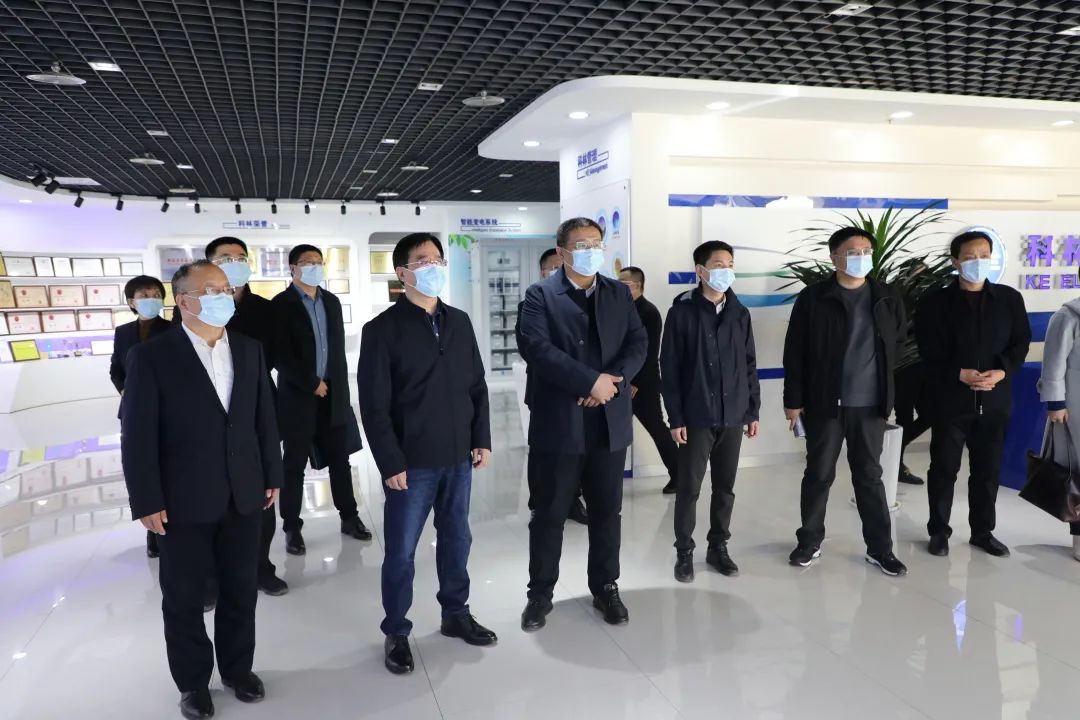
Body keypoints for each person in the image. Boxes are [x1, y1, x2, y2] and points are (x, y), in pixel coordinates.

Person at [121, 260, 282, 720]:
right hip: (182, 498)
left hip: (244, 492)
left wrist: (272, 473)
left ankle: (238, 670)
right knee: (184, 598)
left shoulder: (248, 349)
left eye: (226, 288)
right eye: (212, 289)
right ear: (184, 301)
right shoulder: (152, 356)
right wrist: (146, 499)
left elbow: (263, 418)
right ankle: (193, 682)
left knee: (240, 589)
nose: (223, 296)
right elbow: (138, 435)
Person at [358, 233, 497, 675]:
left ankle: (456, 613)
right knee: (401, 551)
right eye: (422, 260)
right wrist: (390, 462)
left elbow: (476, 385)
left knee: (457, 538)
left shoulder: (459, 322)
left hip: (458, 455)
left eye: (437, 259)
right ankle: (397, 630)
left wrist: (481, 437)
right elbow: (374, 405)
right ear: (402, 273)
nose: (433, 266)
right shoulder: (382, 330)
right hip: (411, 462)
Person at [517, 217, 647, 631]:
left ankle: (606, 586)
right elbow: (536, 348)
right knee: (549, 512)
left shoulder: (618, 293)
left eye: (596, 243)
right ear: (562, 252)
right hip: (559, 421)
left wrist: (612, 381)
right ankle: (540, 594)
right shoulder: (540, 295)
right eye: (581, 244)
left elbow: (638, 342)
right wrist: (589, 381)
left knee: (607, 511)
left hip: (609, 420)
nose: (591, 250)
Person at [783, 227, 908, 576]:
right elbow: (795, 351)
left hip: (870, 405)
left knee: (869, 476)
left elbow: (898, 342)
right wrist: (793, 400)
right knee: (818, 474)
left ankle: (880, 549)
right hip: (825, 404)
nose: (861, 257)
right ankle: (809, 542)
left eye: (867, 251)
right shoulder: (814, 298)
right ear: (834, 257)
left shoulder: (886, 296)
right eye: (853, 251)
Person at [916, 230, 1031, 558]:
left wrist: (1003, 371)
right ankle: (939, 531)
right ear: (955, 261)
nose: (978, 262)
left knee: (987, 469)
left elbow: (1020, 342)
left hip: (994, 399)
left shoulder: (1009, 299)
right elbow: (927, 349)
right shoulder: (935, 302)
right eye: (970, 257)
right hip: (951, 400)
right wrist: (958, 373)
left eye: (984, 256)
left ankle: (983, 531)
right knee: (944, 468)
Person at [661, 241, 760, 582]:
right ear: (700, 270)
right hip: (696, 416)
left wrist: (752, 411)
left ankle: (718, 547)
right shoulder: (682, 313)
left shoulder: (739, 313)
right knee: (689, 489)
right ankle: (684, 552)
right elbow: (669, 368)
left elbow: (749, 365)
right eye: (718, 264)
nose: (725, 270)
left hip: (733, 414)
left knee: (725, 487)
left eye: (730, 264)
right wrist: (675, 417)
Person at [272, 244, 369, 555]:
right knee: (294, 464)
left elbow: (336, 351)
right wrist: (310, 382)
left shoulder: (331, 301)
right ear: (293, 268)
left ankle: (349, 517)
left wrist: (338, 389)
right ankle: (291, 527)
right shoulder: (281, 304)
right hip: (298, 396)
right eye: (307, 262)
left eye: (318, 261)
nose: (315, 267)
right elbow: (279, 354)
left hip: (333, 394)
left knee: (340, 459)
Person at [204, 238, 288, 597]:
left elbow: (275, 355)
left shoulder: (265, 310)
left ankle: (260, 568)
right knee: (209, 494)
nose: (234, 263)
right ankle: (210, 576)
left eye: (240, 257)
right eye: (225, 258)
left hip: (255, 407)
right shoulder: (198, 305)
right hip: (209, 412)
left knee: (261, 494)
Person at [516, 249, 588, 525]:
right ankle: (539, 501)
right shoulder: (531, 303)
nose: (560, 271)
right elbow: (532, 349)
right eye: (553, 268)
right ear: (543, 272)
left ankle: (573, 500)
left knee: (576, 448)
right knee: (543, 450)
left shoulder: (585, 303)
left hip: (581, 391)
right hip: (546, 390)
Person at [111, 274, 171, 559]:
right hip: (134, 408)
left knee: (164, 466)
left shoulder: (172, 329)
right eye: (144, 295)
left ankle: (164, 524)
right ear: (131, 302)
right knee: (141, 466)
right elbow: (115, 368)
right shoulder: (123, 332)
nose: (151, 299)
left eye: (156, 294)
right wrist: (126, 391)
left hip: (166, 408)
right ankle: (151, 530)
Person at [619, 266, 680, 495]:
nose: (618, 287)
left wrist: (633, 381)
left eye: (623, 284)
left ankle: (680, 474)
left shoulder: (648, 312)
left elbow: (648, 352)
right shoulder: (622, 309)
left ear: (637, 286)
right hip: (622, 382)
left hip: (642, 383)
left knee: (657, 428)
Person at [1038, 278, 1080, 561]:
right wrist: (1056, 403)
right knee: (1076, 476)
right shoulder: (1068, 316)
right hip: (1075, 409)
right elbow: (1053, 363)